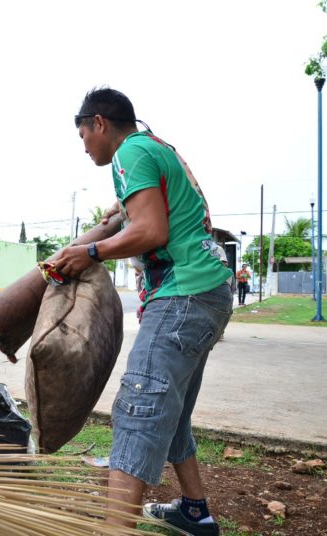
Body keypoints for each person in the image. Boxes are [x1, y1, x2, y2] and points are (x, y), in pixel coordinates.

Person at [53, 87, 233, 535]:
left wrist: (91, 252)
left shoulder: (129, 153)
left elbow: (152, 230)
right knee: (171, 412)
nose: (84, 146)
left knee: (138, 406)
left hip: (185, 294)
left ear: (99, 123)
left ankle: (116, 529)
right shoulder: (154, 147)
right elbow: (139, 218)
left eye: (83, 135)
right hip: (206, 292)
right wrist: (110, 224)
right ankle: (196, 512)